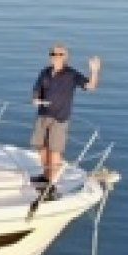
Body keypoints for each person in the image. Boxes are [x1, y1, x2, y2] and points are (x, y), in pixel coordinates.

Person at [30, 44, 101, 191]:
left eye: (60, 54)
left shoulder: (71, 74)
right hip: (43, 115)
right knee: (41, 147)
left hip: (59, 118)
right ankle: (45, 175)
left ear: (65, 57)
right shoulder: (45, 72)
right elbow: (37, 90)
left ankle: (52, 184)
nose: (56, 57)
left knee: (55, 150)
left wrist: (94, 71)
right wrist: (36, 99)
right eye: (53, 54)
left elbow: (91, 87)